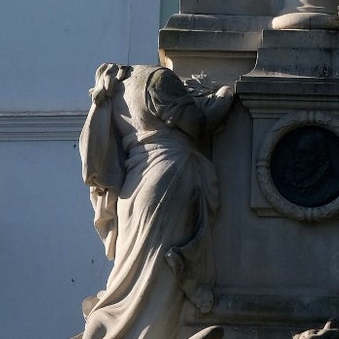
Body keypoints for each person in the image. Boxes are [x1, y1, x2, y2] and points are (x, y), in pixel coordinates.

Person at [77, 61, 233, 339]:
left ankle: (110, 325)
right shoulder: (158, 80)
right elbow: (199, 126)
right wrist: (224, 96)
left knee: (133, 269)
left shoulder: (117, 88)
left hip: (133, 187)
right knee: (158, 271)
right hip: (167, 180)